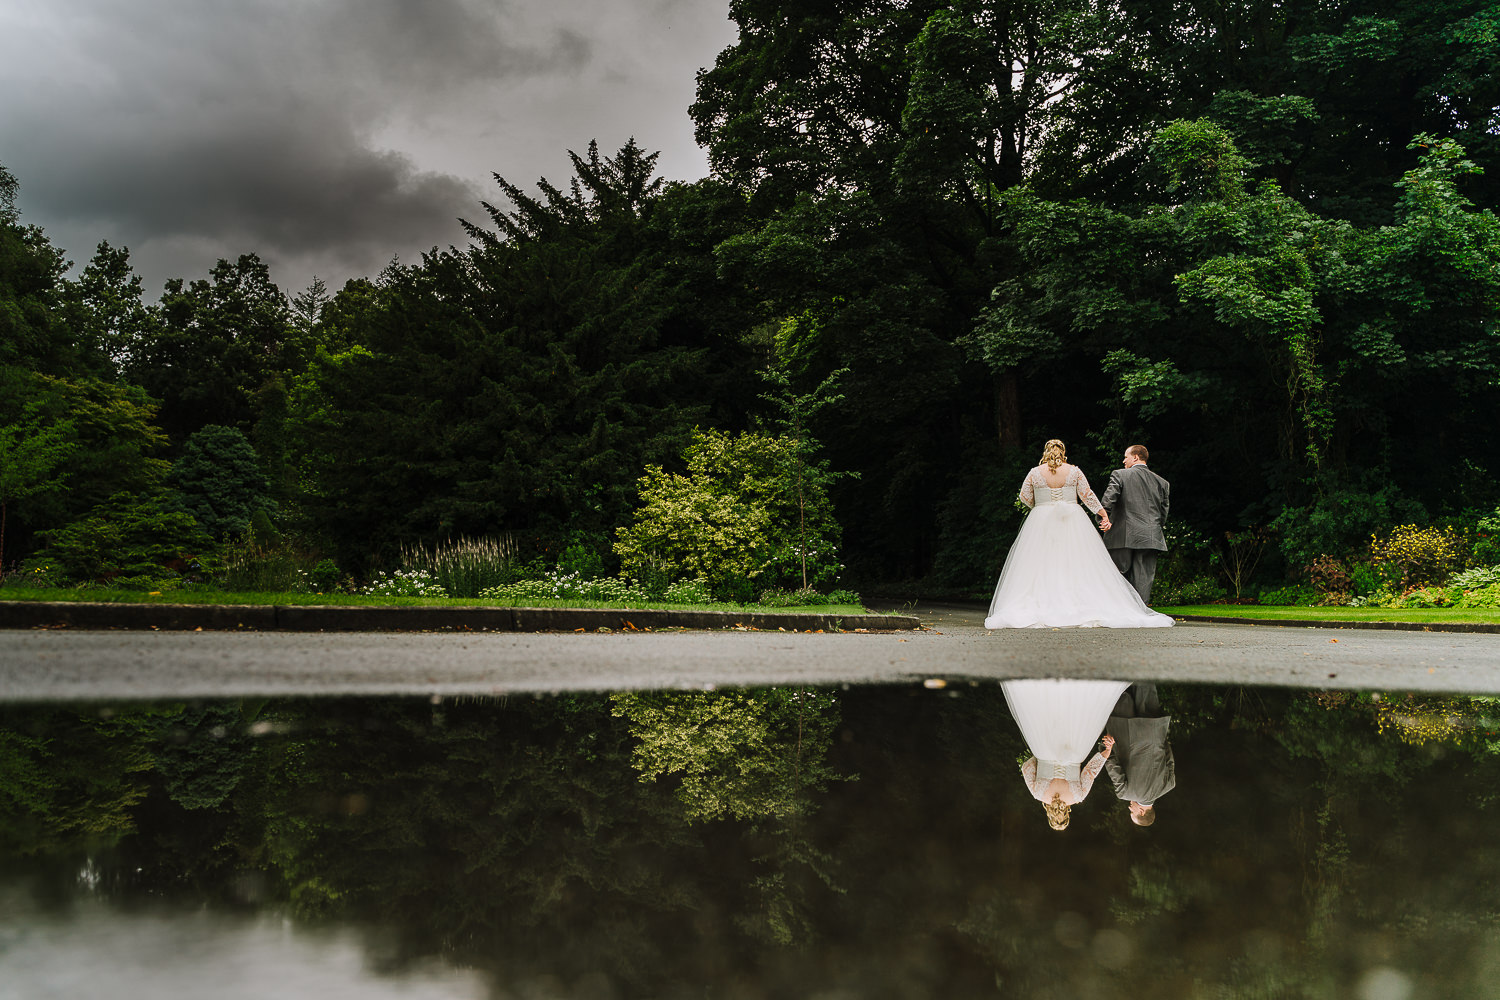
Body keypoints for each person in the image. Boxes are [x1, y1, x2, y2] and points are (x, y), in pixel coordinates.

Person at [985, 439, 1173, 629]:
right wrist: (1102, 515)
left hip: (1041, 520)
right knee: (1075, 562)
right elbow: (1088, 495)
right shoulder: (1074, 471)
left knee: (1039, 563)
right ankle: (1122, 607)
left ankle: (1044, 602)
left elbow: (1024, 497)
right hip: (1073, 520)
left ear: (1046, 451)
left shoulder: (1035, 472)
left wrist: (1040, 506)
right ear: (1063, 452)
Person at [1004, 679, 1131, 830]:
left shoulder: (1078, 797)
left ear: (1067, 814)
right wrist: (1039, 758)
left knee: (1074, 716)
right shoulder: (1037, 794)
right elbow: (1027, 767)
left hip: (1075, 751)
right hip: (1044, 749)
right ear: (1049, 815)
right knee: (1048, 715)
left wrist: (1107, 751)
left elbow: (1090, 772)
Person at [1100, 445, 1171, 605]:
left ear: (1136, 457)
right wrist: (1154, 529)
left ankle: (1119, 611)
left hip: (1121, 534)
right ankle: (1140, 613)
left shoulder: (1120, 475)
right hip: (1150, 536)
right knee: (1144, 578)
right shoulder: (1162, 482)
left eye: (1126, 456)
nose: (1123, 460)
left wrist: (1103, 520)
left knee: (1118, 575)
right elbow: (1163, 513)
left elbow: (1108, 500)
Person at [1103, 682, 1175, 827]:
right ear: (1141, 812)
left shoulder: (1169, 785)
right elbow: (1112, 765)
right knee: (1119, 688)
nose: (1130, 808)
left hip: (1152, 730)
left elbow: (1169, 756)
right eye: (1132, 812)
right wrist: (1104, 748)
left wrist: (1158, 737)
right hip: (1124, 731)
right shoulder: (1125, 794)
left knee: (1145, 684)